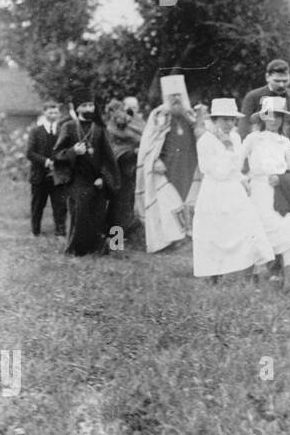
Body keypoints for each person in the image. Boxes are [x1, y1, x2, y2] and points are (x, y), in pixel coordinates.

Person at [191, 99, 274, 282]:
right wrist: (227, 149)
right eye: (224, 119)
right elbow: (215, 172)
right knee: (215, 232)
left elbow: (236, 167)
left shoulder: (236, 137)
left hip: (233, 189)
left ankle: (250, 276)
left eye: (232, 119)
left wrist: (242, 180)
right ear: (215, 120)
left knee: (248, 227)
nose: (229, 124)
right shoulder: (205, 141)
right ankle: (213, 275)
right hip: (214, 190)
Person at [240, 96, 290, 292]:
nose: (273, 120)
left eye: (278, 116)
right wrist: (244, 181)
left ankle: (289, 281)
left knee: (288, 228)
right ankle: (252, 280)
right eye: (269, 116)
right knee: (256, 232)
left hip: (279, 194)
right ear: (263, 117)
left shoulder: (285, 143)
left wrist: (283, 179)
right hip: (257, 191)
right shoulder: (253, 139)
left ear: (282, 119)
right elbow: (237, 165)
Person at [134, 74, 199, 253]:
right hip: (166, 168)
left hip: (188, 166)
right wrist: (154, 161)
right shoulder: (158, 115)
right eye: (172, 96)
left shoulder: (190, 115)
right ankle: (170, 239)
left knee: (189, 200)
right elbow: (149, 143)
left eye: (179, 95)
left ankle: (188, 236)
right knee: (168, 203)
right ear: (166, 97)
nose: (176, 99)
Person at [52, 95, 119, 256]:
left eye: (91, 105)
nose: (89, 109)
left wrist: (103, 177)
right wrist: (73, 151)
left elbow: (108, 157)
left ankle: (95, 248)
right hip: (76, 179)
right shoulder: (68, 127)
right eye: (85, 105)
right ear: (77, 108)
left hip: (96, 179)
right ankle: (76, 250)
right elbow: (57, 154)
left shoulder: (100, 129)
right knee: (80, 213)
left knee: (97, 214)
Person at [238, 59, 290, 179]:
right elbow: (243, 133)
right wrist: (247, 169)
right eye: (277, 81)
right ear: (267, 77)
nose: (282, 85)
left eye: (285, 81)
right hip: (262, 165)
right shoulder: (253, 97)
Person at [25, 101, 67, 237]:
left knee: (60, 205)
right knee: (37, 205)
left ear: (59, 114)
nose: (53, 115)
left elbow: (66, 150)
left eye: (55, 112)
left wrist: (60, 162)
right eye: (50, 112)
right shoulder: (36, 131)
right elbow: (29, 153)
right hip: (39, 174)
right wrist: (46, 162)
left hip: (58, 175)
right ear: (44, 113)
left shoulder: (62, 131)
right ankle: (35, 231)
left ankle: (60, 233)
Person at [104, 98, 144, 237]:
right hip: (120, 168)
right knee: (119, 204)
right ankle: (116, 241)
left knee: (128, 203)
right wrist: (133, 152)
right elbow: (115, 148)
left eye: (135, 107)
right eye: (129, 107)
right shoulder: (114, 124)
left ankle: (124, 235)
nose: (132, 110)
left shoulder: (139, 122)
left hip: (134, 169)